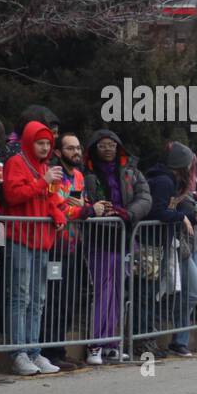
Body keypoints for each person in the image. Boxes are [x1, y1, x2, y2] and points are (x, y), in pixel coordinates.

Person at [0, 121, 69, 375]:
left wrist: (58, 216)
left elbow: (51, 199)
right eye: (40, 143)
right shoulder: (17, 163)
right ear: (29, 142)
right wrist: (43, 180)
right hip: (21, 238)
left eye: (48, 144)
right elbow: (13, 195)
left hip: (43, 241)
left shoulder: (46, 167)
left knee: (38, 299)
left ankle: (34, 351)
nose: (45, 147)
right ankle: (18, 352)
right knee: (20, 297)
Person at [82, 129, 152, 364]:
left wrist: (128, 213)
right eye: (102, 145)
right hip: (98, 238)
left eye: (112, 144)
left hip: (124, 237)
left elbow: (145, 198)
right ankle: (95, 344)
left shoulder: (131, 170)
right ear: (94, 148)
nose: (108, 149)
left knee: (118, 293)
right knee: (103, 292)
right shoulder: (87, 172)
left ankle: (112, 342)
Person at [146, 142, 197, 357]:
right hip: (165, 244)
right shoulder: (165, 181)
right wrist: (183, 215)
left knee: (190, 293)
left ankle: (176, 337)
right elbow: (160, 211)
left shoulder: (174, 182)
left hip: (176, 245)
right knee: (154, 294)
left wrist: (191, 212)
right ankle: (151, 338)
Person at [39, 133, 92, 369]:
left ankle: (60, 348)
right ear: (59, 153)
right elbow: (55, 208)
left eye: (78, 148)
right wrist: (81, 210)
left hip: (74, 246)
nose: (76, 152)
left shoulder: (79, 176)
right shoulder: (54, 175)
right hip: (54, 245)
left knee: (69, 299)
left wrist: (84, 208)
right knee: (54, 299)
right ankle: (49, 350)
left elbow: (82, 205)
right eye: (70, 148)